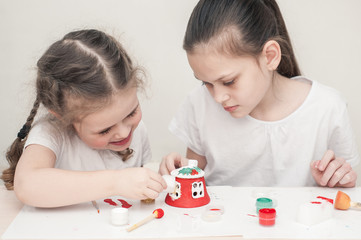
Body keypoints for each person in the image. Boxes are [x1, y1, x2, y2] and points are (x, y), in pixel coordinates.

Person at [159, 0, 359, 187]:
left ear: (270, 56)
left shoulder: (327, 108)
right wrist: (179, 173)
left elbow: (345, 196)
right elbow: (193, 187)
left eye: (229, 81)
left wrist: (339, 181)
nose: (217, 97)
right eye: (206, 83)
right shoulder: (199, 105)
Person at [1, 29, 166, 207]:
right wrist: (115, 182)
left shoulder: (137, 130)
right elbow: (27, 186)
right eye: (105, 130)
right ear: (63, 116)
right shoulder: (51, 134)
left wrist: (164, 174)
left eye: (131, 113)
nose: (124, 131)